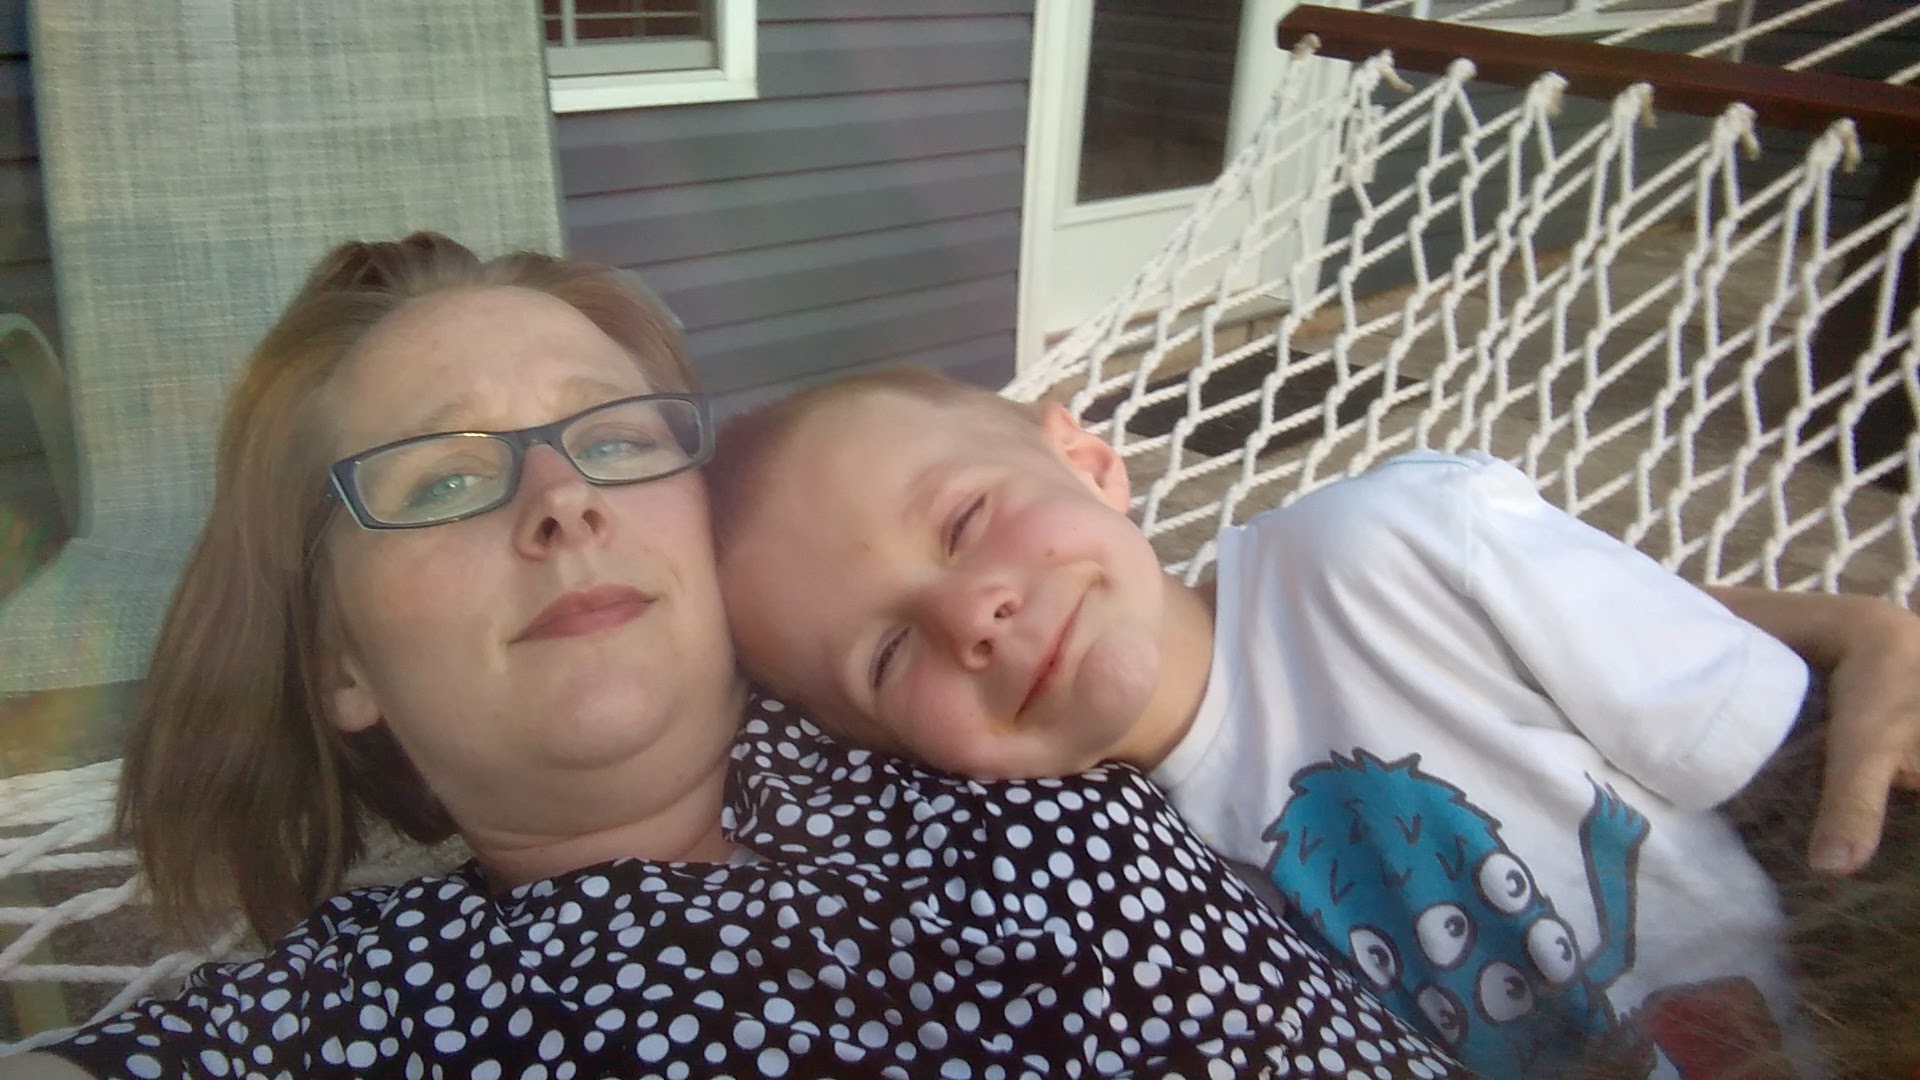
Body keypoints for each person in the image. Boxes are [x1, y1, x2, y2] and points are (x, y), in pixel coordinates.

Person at [0, 235, 1468, 1079]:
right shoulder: (360, 1011)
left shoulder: (938, 704)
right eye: (442, 478)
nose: (560, 500)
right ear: (342, 664)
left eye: (613, 440)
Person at [709, 366, 1920, 1078]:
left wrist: (1847, 625)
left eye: (964, 520)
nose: (968, 614)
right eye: (886, 655)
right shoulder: (1107, 890)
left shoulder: (1388, 550)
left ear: (1086, 458)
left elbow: (1777, 747)